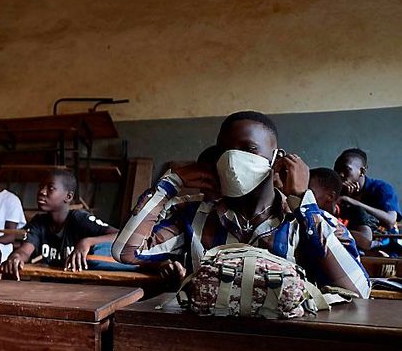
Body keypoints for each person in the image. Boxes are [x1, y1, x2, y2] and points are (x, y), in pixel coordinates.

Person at [111, 111, 369, 297]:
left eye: (250, 149)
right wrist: (171, 184)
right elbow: (126, 252)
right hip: (208, 347)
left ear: (277, 159)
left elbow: (358, 289)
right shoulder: (193, 216)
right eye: (226, 150)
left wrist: (304, 204)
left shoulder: (306, 220)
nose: (234, 158)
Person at [1, 168, 117, 279]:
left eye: (50, 188)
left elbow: (119, 235)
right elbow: (25, 251)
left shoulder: (80, 219)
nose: (42, 192)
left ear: (68, 196)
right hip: (49, 287)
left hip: (83, 286)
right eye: (41, 187)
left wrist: (87, 242)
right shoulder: (38, 222)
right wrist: (17, 257)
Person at [335, 149, 400, 253]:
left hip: (385, 247)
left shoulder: (382, 188)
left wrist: (351, 201)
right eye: (337, 170)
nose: (341, 174)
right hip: (352, 245)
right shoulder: (338, 190)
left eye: (346, 169)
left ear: (362, 171)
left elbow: (390, 221)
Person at [309, 167, 373, 252]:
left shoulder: (352, 211)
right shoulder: (305, 212)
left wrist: (331, 231)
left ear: (330, 197)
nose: (306, 196)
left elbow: (366, 242)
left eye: (310, 192)